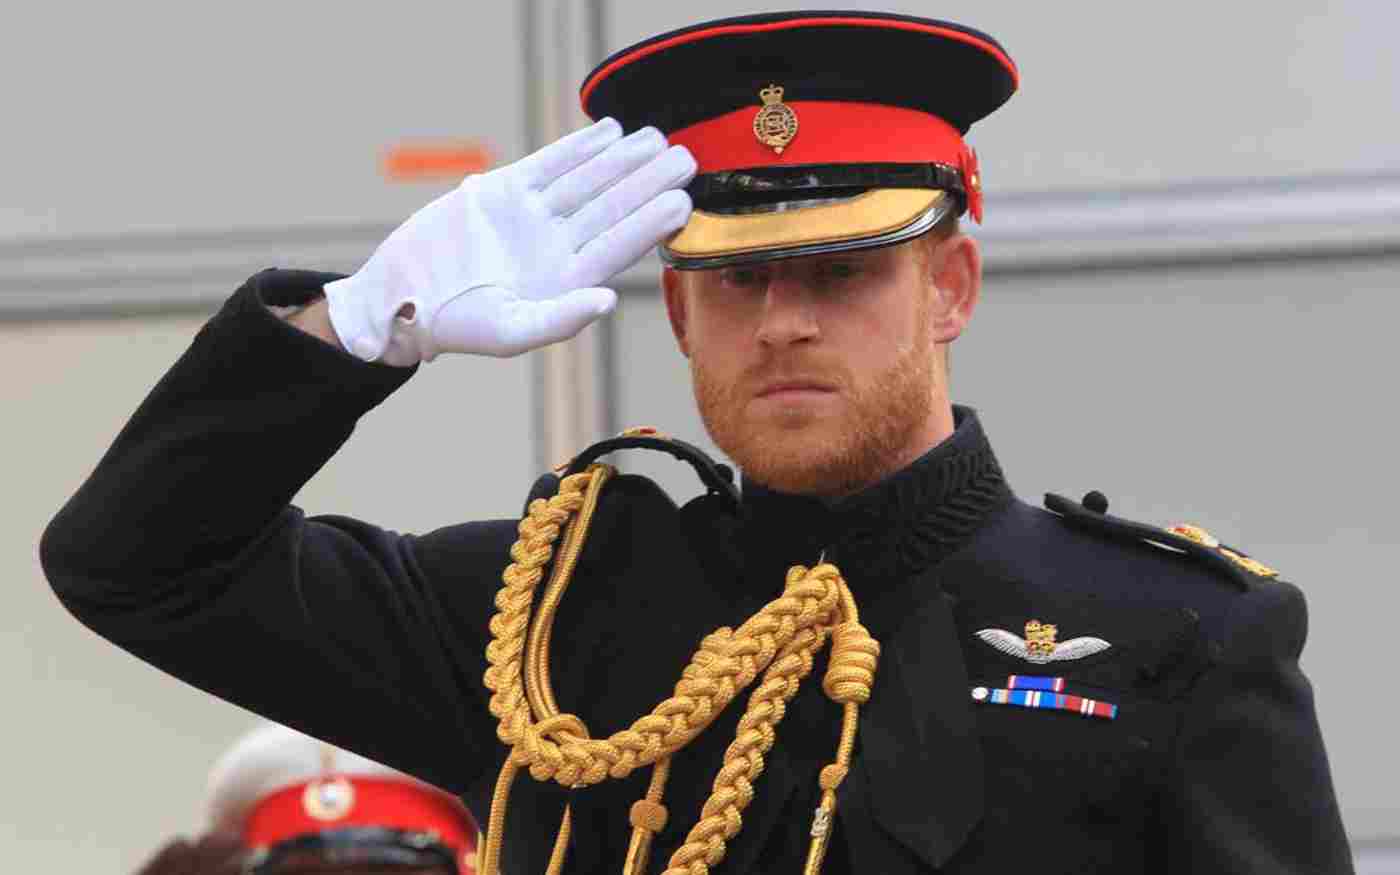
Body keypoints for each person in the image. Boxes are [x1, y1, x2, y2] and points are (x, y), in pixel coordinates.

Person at [42, 11, 1352, 875]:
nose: (782, 323)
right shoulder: (543, 618)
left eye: (839, 272)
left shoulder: (1172, 636)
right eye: (736, 280)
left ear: (949, 287)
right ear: (676, 310)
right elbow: (135, 564)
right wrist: (354, 328)